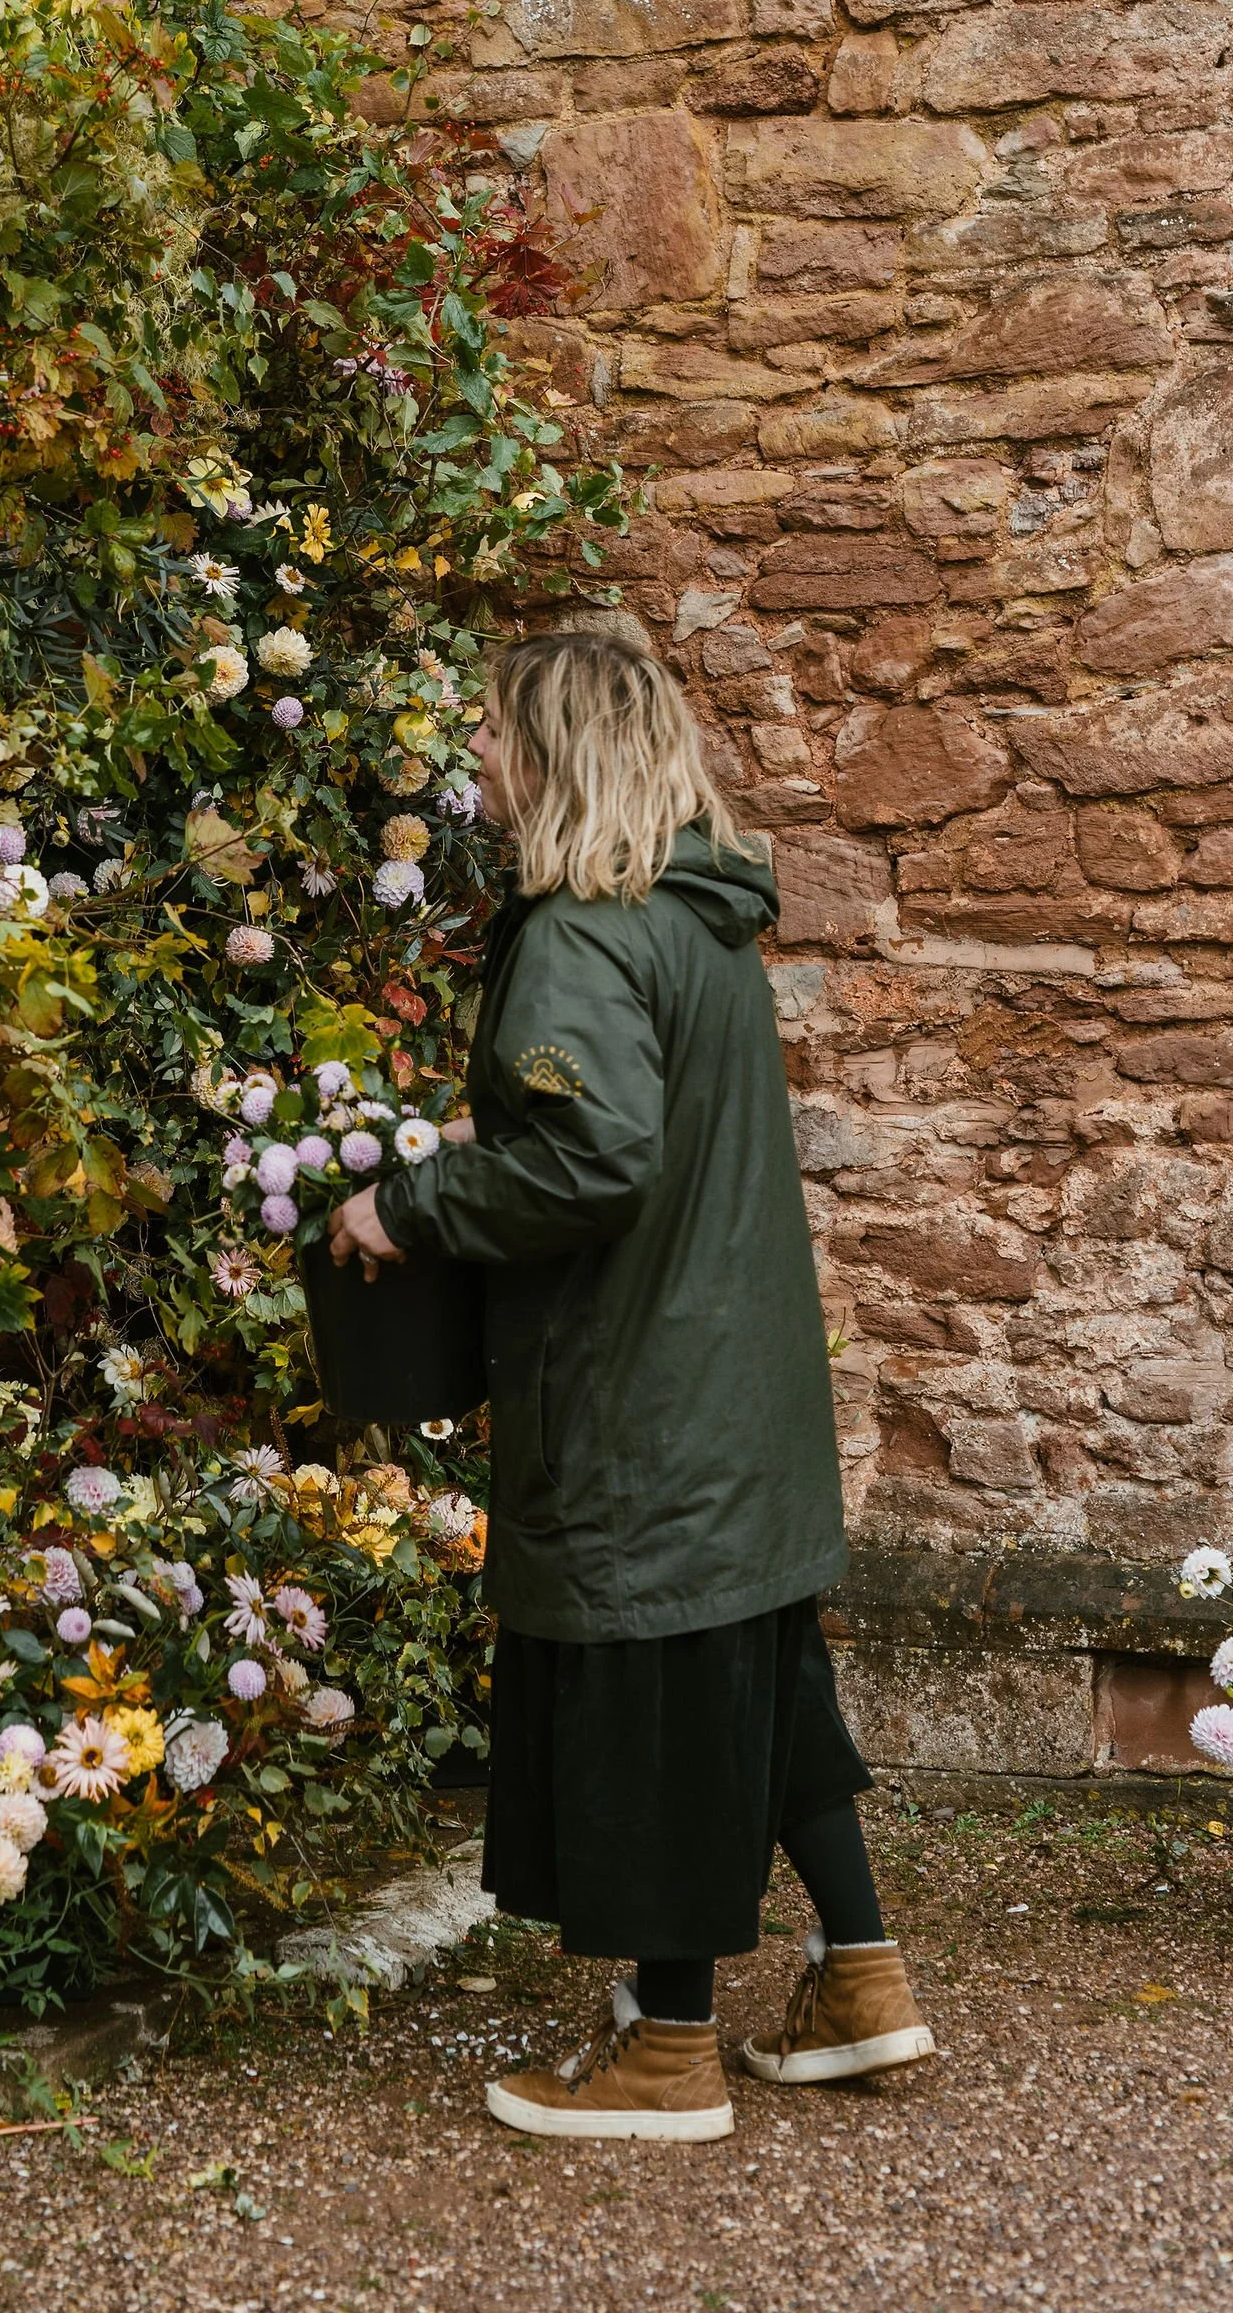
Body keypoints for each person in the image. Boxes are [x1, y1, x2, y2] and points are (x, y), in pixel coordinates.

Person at [328, 629, 934, 2144]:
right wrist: (491, 1156)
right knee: (763, 1691)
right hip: (740, 1394)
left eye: (491, 735)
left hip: (646, 1401)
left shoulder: (583, 934)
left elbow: (596, 1158)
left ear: (551, 747)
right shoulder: (702, 923)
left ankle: (671, 2056)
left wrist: (404, 1207)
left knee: (661, 1694)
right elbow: (632, 1133)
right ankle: (863, 1982)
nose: (474, 760)